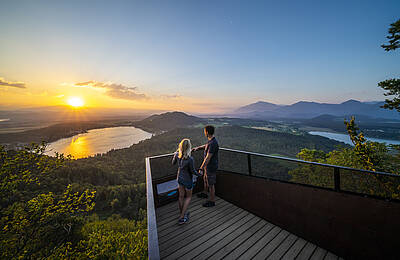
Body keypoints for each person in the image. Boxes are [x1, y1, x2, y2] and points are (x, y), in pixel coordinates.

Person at [172, 138, 201, 224]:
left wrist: (175, 154)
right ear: (189, 147)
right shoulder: (190, 159)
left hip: (180, 179)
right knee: (188, 197)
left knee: (181, 196)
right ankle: (182, 218)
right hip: (188, 181)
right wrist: (200, 174)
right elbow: (193, 171)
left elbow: (173, 163)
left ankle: (182, 213)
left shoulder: (177, 154)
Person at [193, 125, 219, 207]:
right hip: (207, 166)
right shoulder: (210, 141)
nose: (204, 133)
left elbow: (208, 158)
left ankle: (212, 201)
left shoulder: (213, 143)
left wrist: (201, 168)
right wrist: (198, 148)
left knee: (211, 184)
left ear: (207, 132)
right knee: (205, 179)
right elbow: (206, 146)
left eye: (204, 131)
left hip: (211, 167)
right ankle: (205, 193)